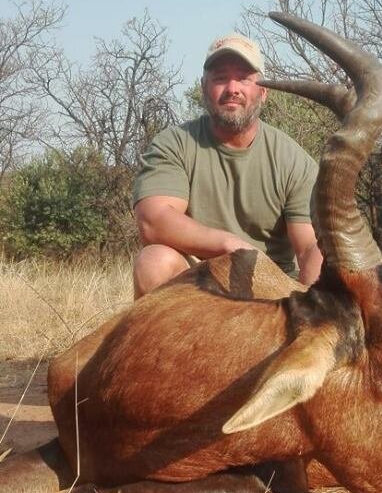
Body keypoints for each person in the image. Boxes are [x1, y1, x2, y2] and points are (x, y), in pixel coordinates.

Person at [132, 32, 323, 297]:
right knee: (154, 263)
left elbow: (310, 247)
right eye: (220, 78)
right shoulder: (174, 143)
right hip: (199, 283)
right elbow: (153, 222)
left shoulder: (293, 159)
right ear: (203, 88)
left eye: (244, 78)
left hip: (271, 290)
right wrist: (233, 247)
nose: (232, 88)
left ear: (263, 91)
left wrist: (312, 303)